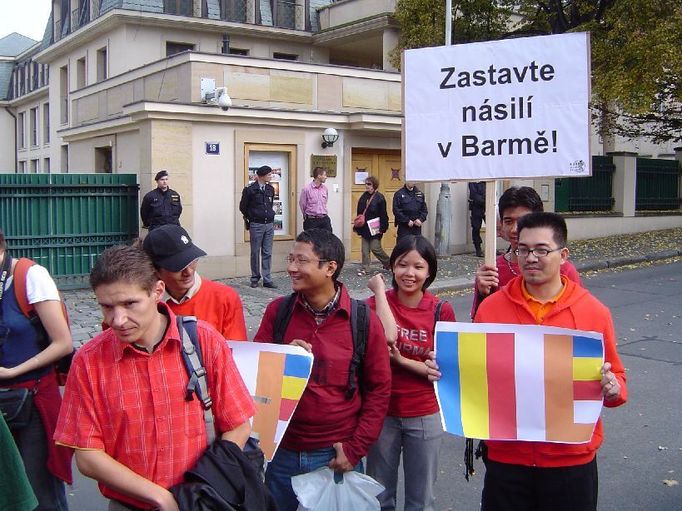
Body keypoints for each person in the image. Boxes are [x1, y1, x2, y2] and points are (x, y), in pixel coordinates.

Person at [431, 212, 627, 511]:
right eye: (522, 249)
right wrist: (445, 369)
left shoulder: (593, 313)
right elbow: (477, 377)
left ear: (563, 255)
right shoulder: (491, 310)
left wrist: (612, 388)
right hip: (507, 462)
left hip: (570, 463)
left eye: (541, 250)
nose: (530, 257)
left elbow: (618, 385)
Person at [54, 245, 255, 511]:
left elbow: (238, 424)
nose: (117, 319)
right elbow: (88, 456)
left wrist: (208, 484)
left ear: (157, 292)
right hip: (130, 504)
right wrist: (160, 497)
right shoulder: (89, 362)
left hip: (204, 500)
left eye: (129, 303)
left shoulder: (204, 341)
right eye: (106, 306)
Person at [254, 229, 391, 511]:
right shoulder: (278, 312)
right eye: (290, 259)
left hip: (334, 455)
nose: (291, 267)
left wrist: (355, 450)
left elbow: (379, 389)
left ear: (330, 267)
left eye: (301, 261)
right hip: (281, 453)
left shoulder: (362, 320)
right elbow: (255, 379)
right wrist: (283, 358)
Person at [365, 235, 456, 511]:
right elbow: (384, 340)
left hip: (424, 413)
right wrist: (380, 292)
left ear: (429, 272)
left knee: (421, 499)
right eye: (403, 265)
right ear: (392, 266)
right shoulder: (374, 305)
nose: (410, 273)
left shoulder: (442, 310)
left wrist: (401, 361)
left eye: (419, 267)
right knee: (378, 496)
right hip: (382, 412)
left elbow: (442, 370)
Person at [0, 228, 73, 511]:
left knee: (41, 493)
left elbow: (63, 343)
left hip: (33, 402)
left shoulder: (30, 276)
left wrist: (12, 371)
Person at [472, 186, 581, 318]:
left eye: (523, 221)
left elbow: (580, 315)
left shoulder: (563, 270)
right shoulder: (492, 270)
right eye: (508, 221)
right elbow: (480, 327)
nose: (515, 229)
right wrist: (483, 293)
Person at [142, 224, 247, 340]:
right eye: (178, 266)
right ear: (155, 271)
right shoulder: (145, 304)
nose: (188, 271)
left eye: (192, 260)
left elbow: (236, 352)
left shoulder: (225, 298)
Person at [240, 165, 278, 289]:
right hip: (256, 224)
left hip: (269, 224)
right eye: (268, 175)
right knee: (255, 252)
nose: (270, 176)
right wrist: (251, 217)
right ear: (262, 176)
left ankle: (267, 279)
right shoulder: (250, 190)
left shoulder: (270, 189)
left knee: (267, 252)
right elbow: (243, 207)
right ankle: (255, 277)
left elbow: (270, 204)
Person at [354, 175, 390, 275]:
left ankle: (389, 263)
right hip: (365, 227)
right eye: (366, 184)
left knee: (375, 248)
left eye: (369, 184)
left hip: (375, 227)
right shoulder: (363, 196)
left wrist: (383, 228)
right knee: (365, 250)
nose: (367, 186)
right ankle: (366, 268)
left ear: (374, 185)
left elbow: (383, 214)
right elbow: (359, 212)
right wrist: (358, 223)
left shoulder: (379, 198)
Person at [299, 166, 332, 232]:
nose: (326, 177)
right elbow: (302, 204)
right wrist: (307, 217)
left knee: (328, 240)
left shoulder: (325, 189)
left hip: (324, 219)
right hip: (311, 221)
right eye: (324, 175)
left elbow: (325, 202)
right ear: (319, 176)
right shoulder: (307, 189)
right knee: (311, 241)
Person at [468, 181, 486, 257]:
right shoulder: (473, 181)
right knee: (476, 228)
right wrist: (485, 200)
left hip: (487, 206)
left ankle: (491, 248)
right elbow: (475, 195)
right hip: (477, 208)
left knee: (493, 228)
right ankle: (478, 249)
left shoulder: (486, 181)